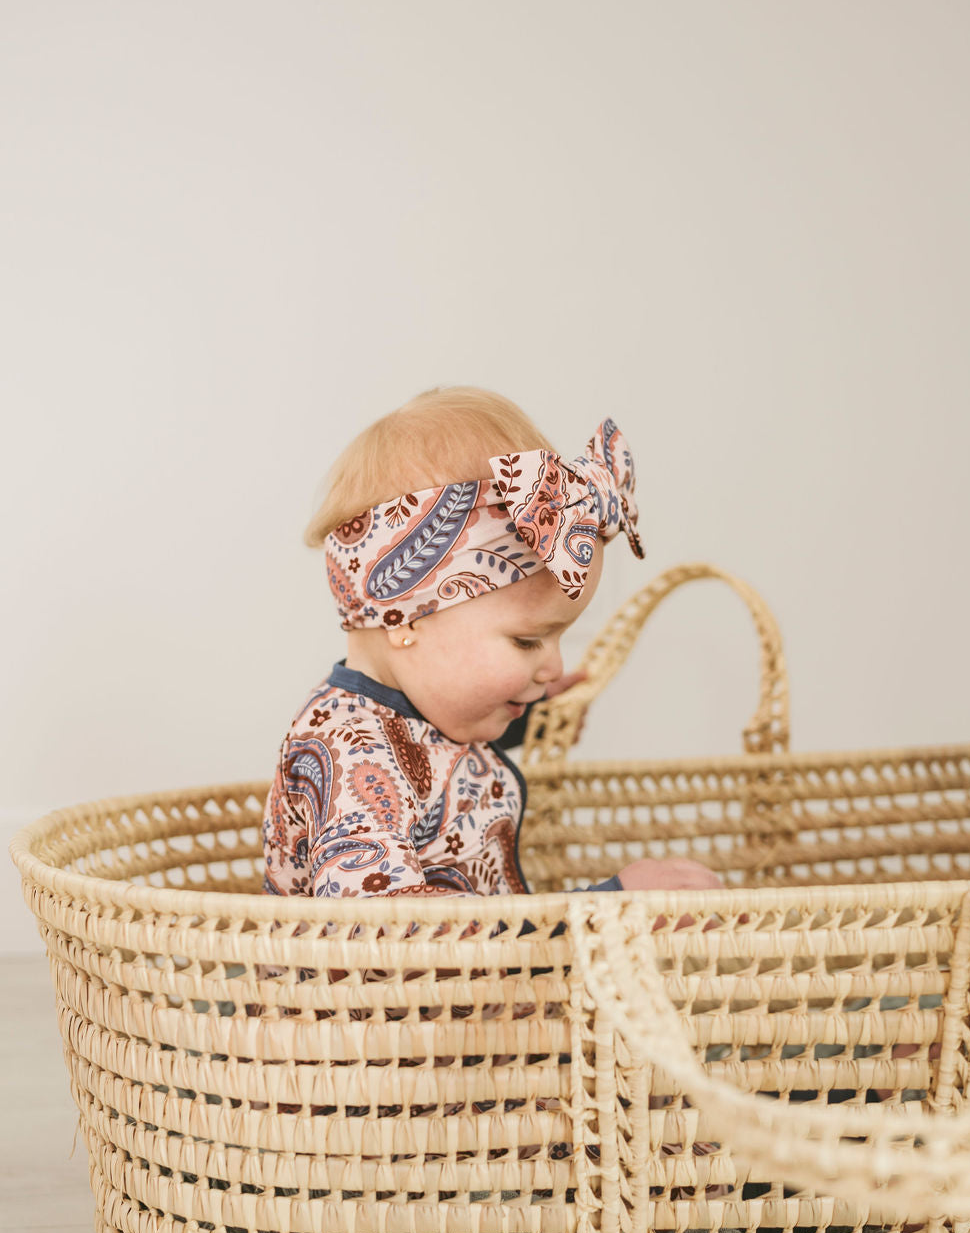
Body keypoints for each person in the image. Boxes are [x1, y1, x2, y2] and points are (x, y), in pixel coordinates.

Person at [261, 385, 723, 903]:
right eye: (528, 641)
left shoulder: (415, 710)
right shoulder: (349, 755)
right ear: (403, 613)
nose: (553, 664)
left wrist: (521, 717)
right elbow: (390, 939)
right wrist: (600, 905)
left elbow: (430, 762)